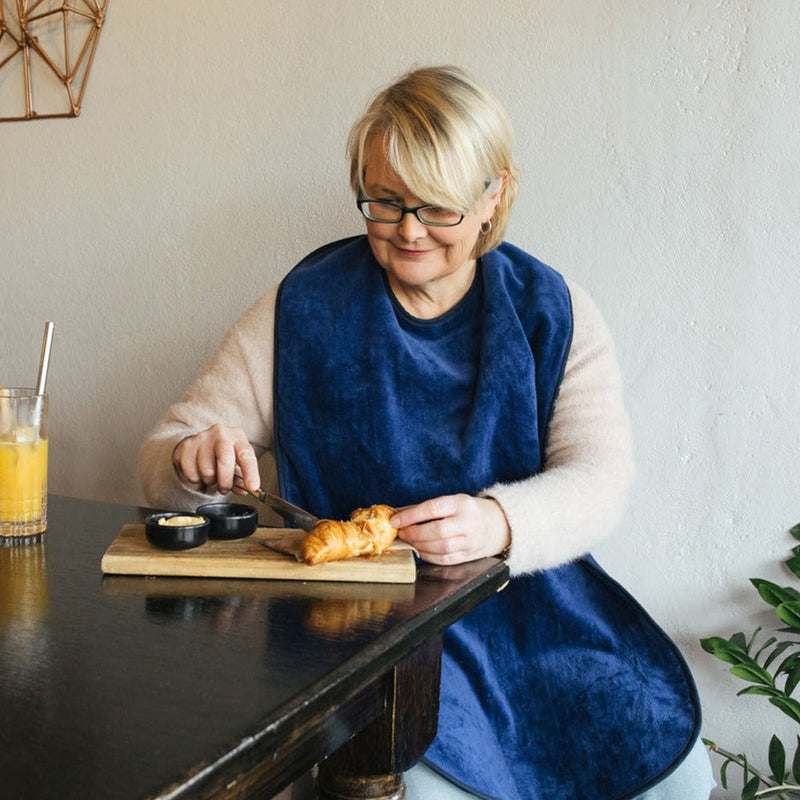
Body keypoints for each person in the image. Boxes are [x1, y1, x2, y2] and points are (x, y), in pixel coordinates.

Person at [139, 65, 715, 799]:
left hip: (534, 619)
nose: (408, 231)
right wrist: (196, 461)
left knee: (680, 778)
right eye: (384, 202)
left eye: (436, 207)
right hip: (369, 635)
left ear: (492, 197)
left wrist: (500, 520)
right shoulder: (305, 306)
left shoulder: (551, 311)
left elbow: (602, 479)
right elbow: (166, 457)